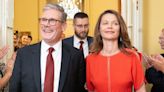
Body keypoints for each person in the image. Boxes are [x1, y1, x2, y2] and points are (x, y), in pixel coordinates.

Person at [9, 3, 86, 92]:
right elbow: (14, 89)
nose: (46, 24)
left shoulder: (76, 56)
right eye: (44, 20)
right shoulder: (24, 54)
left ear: (63, 26)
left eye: (52, 20)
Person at [86, 10, 146, 92]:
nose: (110, 26)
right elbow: (91, 90)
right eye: (105, 23)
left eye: (115, 23)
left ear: (120, 29)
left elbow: (140, 89)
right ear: (99, 29)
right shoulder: (90, 59)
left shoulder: (132, 56)